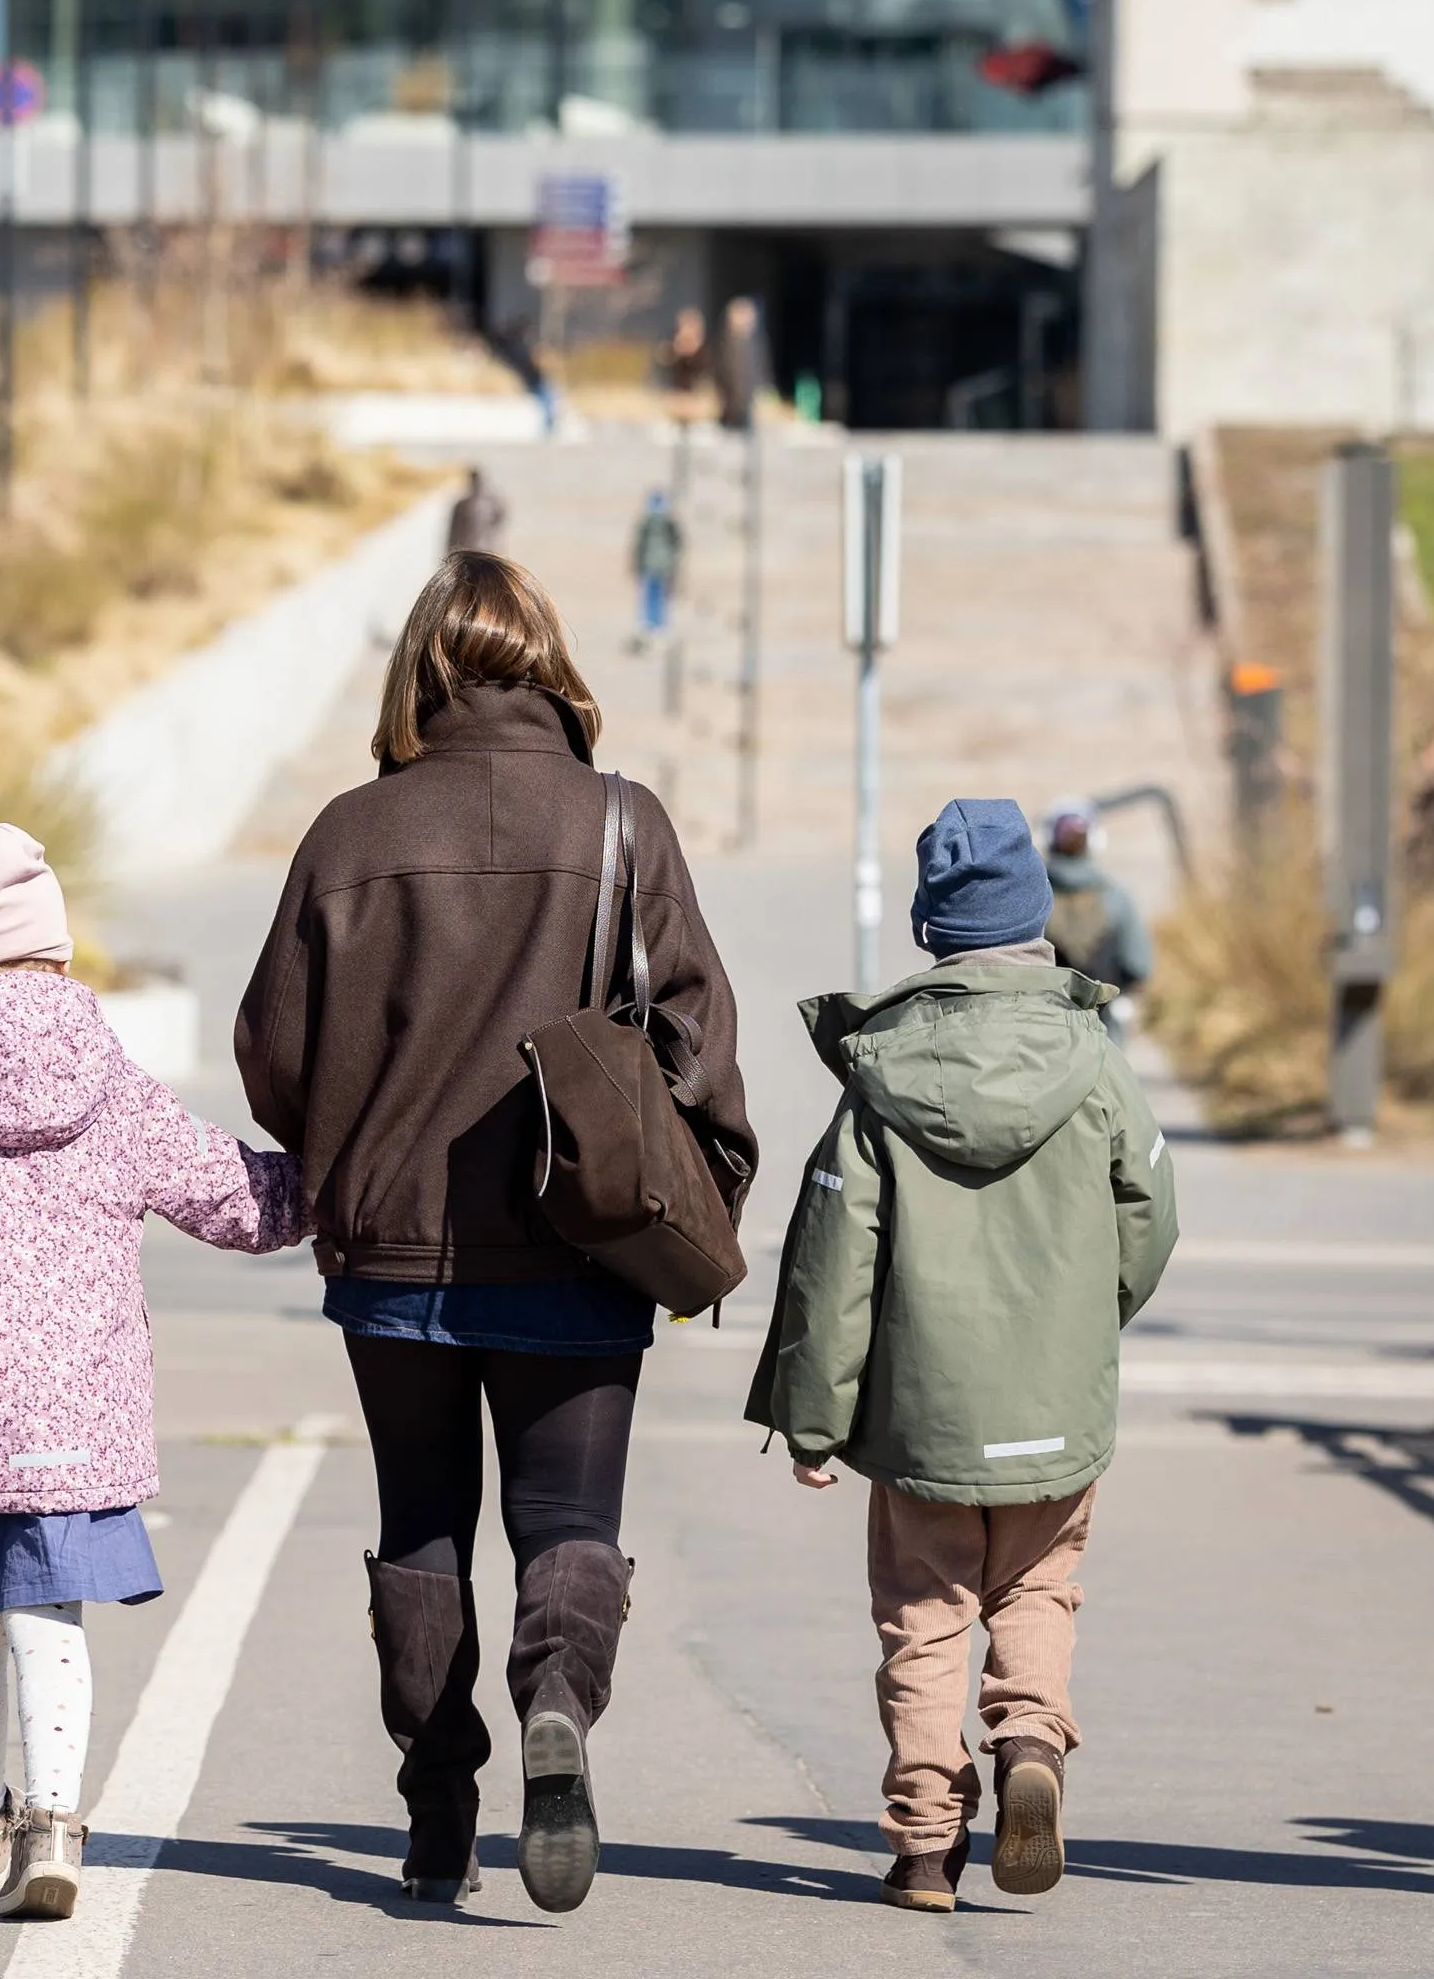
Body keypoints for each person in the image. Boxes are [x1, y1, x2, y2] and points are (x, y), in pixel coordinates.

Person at [236, 552, 757, 1913]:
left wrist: (346, 1149)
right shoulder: (623, 826)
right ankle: (558, 1705)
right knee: (569, 1519)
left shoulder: (348, 836)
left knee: (421, 1521)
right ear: (553, 666)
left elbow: (273, 1056)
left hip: (391, 1257)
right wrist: (710, 1198)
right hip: (579, 1241)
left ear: (419, 673)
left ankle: (435, 1806)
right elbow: (699, 1047)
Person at [0, 823, 308, 1922]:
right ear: (62, 956)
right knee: (49, 1616)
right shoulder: (111, 1084)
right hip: (76, 1404)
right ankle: (60, 1823)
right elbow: (229, 1196)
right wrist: (337, 1180)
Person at [745, 799, 1178, 1917]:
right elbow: (1151, 1216)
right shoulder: (1093, 1057)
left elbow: (835, 1258)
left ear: (933, 925)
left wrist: (812, 1419)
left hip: (921, 1417)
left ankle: (926, 1845)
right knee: (1039, 1583)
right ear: (1035, 915)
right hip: (1054, 1400)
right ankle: (1031, 1737)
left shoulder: (883, 1074)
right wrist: (1087, 1324)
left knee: (924, 1614)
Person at [1042, 800, 1155, 1025]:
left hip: (1047, 1020)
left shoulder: (1033, 898)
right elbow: (1139, 964)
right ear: (1094, 841)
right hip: (1105, 1022)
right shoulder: (1116, 896)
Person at [629, 488, 683, 644]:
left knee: (658, 596)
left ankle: (657, 624)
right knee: (655, 595)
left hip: (656, 566)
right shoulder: (662, 523)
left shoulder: (662, 523)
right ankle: (654, 624)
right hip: (657, 565)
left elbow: (676, 545)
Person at [714, 295, 767, 434]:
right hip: (728, 407)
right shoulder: (725, 345)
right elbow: (722, 374)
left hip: (749, 406)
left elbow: (760, 371)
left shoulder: (755, 345)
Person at [445, 464, 509, 557]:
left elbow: (500, 520)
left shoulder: (493, 502)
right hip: (468, 548)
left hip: (487, 547)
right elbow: (454, 531)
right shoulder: (462, 503)